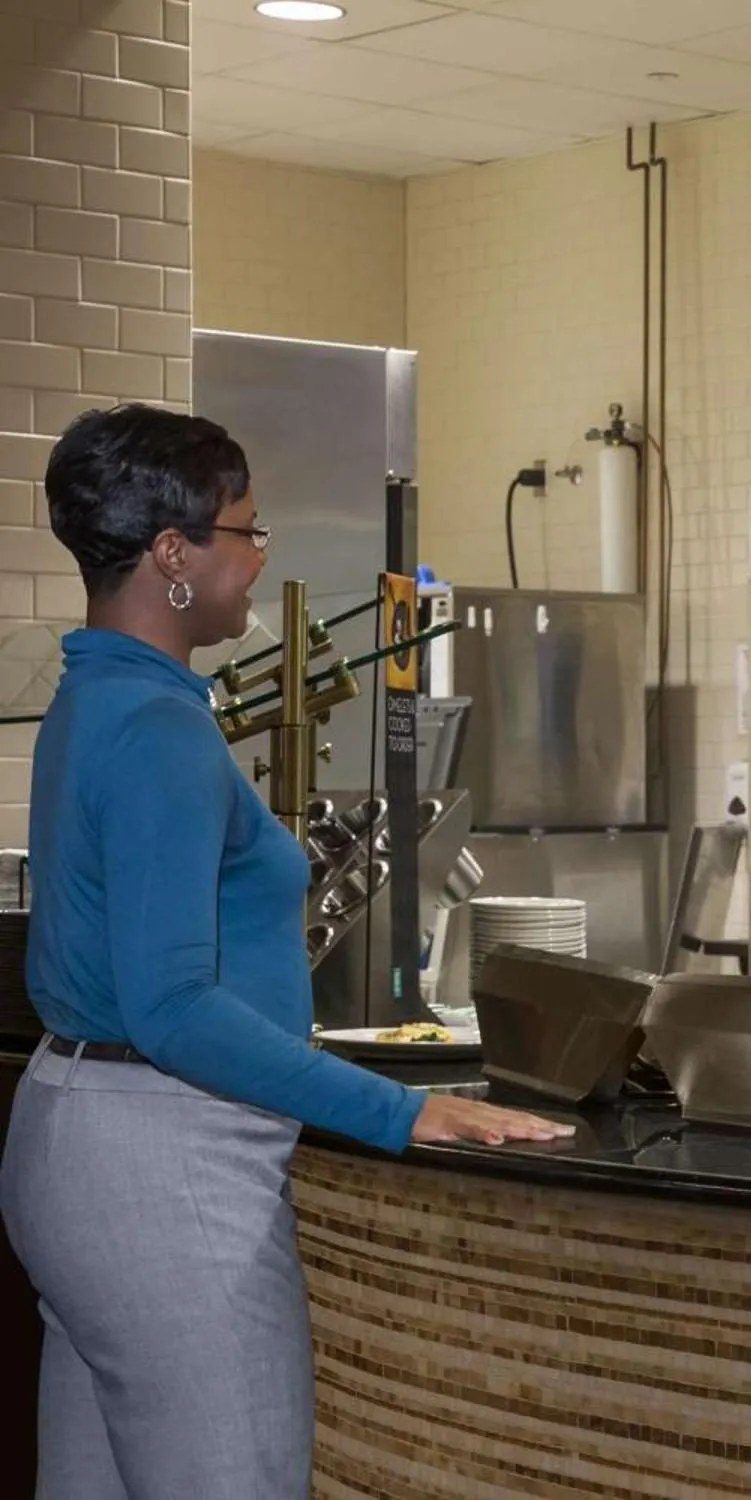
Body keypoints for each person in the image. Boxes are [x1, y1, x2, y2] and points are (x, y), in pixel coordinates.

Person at [0, 405, 570, 1500]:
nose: (261, 559)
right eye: (245, 532)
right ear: (173, 555)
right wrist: (403, 1110)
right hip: (164, 1170)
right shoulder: (159, 727)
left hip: (73, 1138)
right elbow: (172, 1009)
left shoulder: (97, 695)